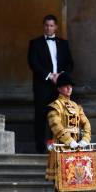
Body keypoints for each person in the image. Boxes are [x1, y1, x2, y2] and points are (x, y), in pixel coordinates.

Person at [45, 73, 91, 192]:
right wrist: (69, 141)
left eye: (70, 86)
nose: (69, 88)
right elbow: (56, 126)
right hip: (61, 148)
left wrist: (85, 139)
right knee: (60, 182)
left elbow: (86, 124)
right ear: (59, 88)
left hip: (75, 147)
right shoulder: (54, 106)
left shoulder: (76, 107)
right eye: (66, 86)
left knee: (74, 179)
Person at [28, 14, 74, 154]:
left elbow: (70, 63)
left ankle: (61, 144)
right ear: (44, 27)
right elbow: (33, 63)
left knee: (60, 114)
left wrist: (60, 75)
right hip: (42, 85)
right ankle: (41, 147)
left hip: (59, 86)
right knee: (41, 115)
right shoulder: (35, 43)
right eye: (47, 25)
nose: (49, 28)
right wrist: (49, 76)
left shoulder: (63, 43)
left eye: (51, 25)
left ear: (56, 27)